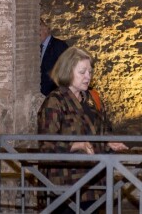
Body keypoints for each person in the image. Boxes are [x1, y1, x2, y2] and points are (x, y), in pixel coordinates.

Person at [37, 46, 127, 212]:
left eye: (90, 72)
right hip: (65, 188)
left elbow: (101, 131)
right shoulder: (55, 102)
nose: (88, 77)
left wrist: (109, 141)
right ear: (68, 71)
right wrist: (76, 145)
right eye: (82, 72)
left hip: (93, 185)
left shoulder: (92, 100)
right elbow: (46, 146)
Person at [40, 23, 69, 96]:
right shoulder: (40, 47)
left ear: (46, 29)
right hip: (45, 93)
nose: (36, 35)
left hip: (55, 93)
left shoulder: (58, 45)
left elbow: (66, 68)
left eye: (39, 31)